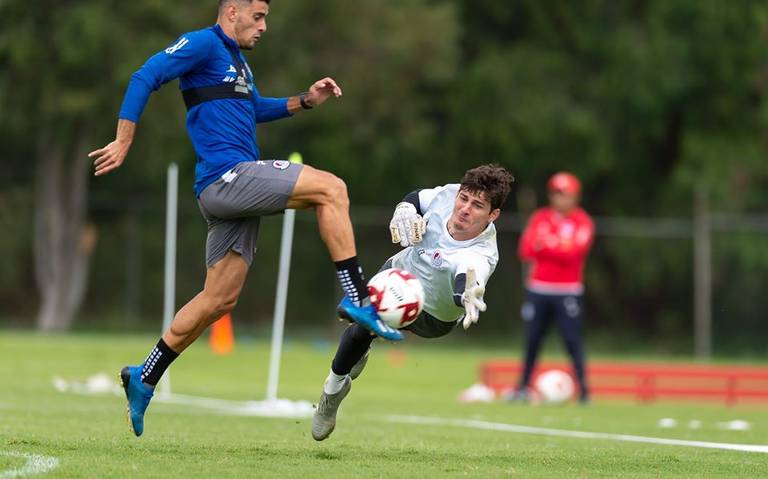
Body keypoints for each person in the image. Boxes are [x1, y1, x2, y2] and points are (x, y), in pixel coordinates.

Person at [89, 0, 400, 438]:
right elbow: (146, 76)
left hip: (231, 190)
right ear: (231, 11)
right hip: (226, 179)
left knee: (218, 300)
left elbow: (253, 108)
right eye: (258, 16)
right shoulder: (202, 44)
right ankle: (357, 298)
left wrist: (306, 101)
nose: (265, 26)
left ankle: (145, 375)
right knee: (332, 189)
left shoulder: (236, 63)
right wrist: (123, 141)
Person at [311, 164, 515, 441]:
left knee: (363, 323)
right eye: (464, 198)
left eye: (477, 206)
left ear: (494, 215)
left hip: (433, 317)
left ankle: (364, 342)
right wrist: (406, 209)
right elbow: (418, 197)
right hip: (399, 274)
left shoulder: (483, 252)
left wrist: (467, 292)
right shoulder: (449, 194)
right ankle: (332, 394)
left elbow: (466, 278)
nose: (465, 208)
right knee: (359, 322)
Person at [511, 172, 594, 403]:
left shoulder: (582, 221)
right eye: (556, 193)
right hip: (538, 289)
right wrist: (556, 245)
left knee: (572, 340)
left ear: (575, 196)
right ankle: (522, 387)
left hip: (567, 290)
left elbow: (573, 253)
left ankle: (584, 391)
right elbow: (525, 250)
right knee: (532, 340)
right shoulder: (540, 217)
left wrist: (545, 244)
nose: (560, 199)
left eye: (565, 194)